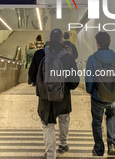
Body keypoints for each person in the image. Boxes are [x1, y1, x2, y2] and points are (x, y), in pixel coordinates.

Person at [29, 29, 80, 159]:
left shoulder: (39, 54)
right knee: (64, 118)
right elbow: (74, 82)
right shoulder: (68, 57)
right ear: (62, 40)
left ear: (50, 39)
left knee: (47, 125)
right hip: (63, 96)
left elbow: (31, 76)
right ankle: (63, 144)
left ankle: (51, 154)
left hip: (45, 98)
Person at [85, 32, 115, 157]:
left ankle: (99, 149)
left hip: (98, 97)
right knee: (111, 117)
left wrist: (91, 92)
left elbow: (89, 81)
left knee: (97, 122)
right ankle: (112, 145)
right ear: (109, 42)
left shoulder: (92, 59)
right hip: (113, 98)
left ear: (97, 43)